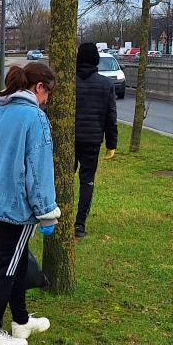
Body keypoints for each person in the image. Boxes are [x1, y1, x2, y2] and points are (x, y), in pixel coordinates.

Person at [0, 62, 60, 345]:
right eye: (49, 92)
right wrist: (47, 212)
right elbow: (40, 170)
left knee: (16, 260)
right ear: (39, 87)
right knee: (5, 268)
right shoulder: (35, 117)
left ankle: (21, 321)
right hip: (13, 208)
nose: (47, 100)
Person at [74, 43, 118, 238]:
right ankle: (79, 224)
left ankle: (59, 218)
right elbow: (111, 117)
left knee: (63, 178)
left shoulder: (67, 83)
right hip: (92, 140)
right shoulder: (106, 84)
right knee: (87, 181)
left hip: (69, 139)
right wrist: (111, 144)